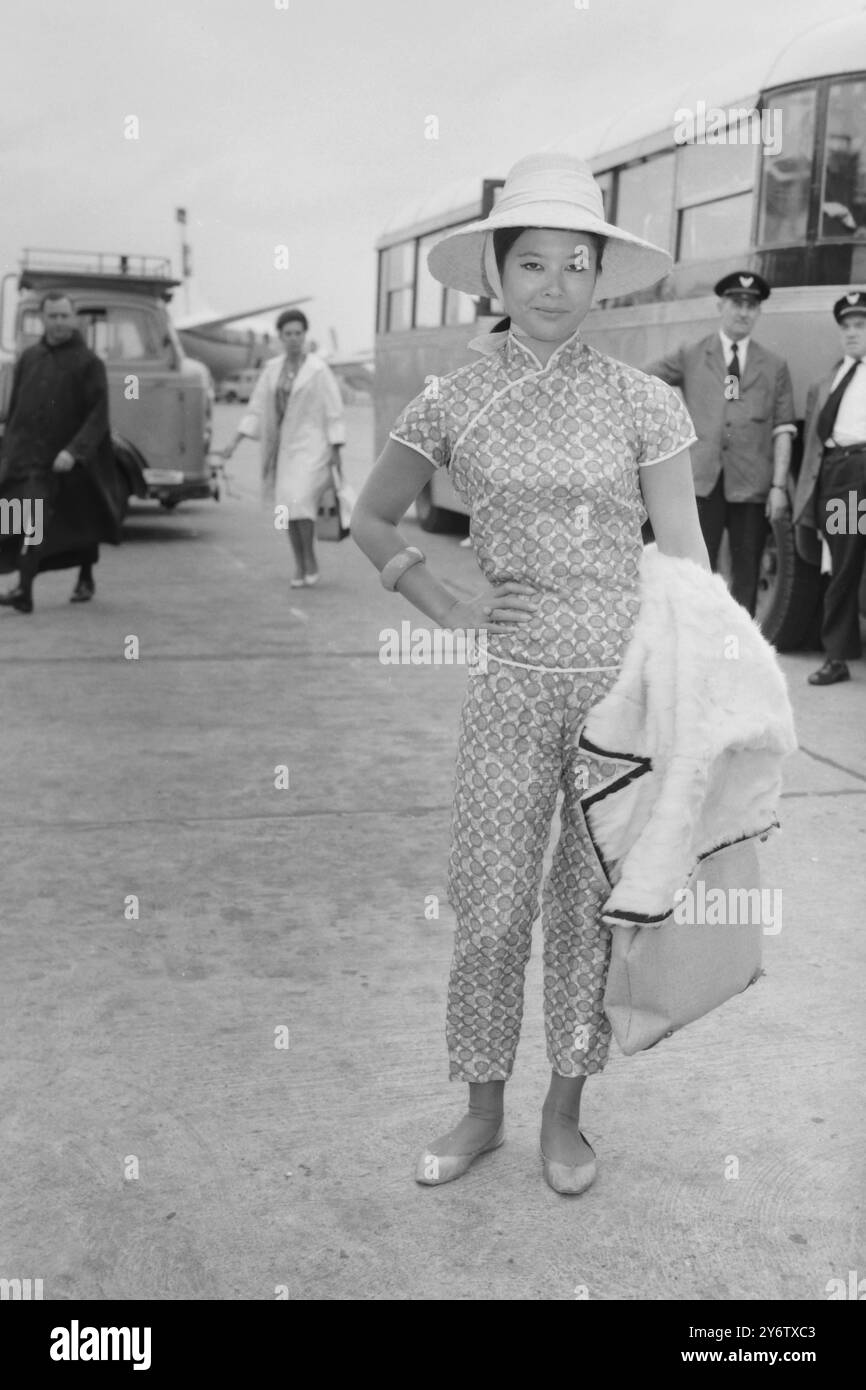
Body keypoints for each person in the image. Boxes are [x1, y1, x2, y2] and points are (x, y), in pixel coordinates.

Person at [351, 152, 711, 1195]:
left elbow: (683, 550)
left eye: (574, 265)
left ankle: (565, 1114)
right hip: (508, 683)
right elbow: (370, 517)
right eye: (533, 265)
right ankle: (478, 1110)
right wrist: (440, 595)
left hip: (618, 691)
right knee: (493, 908)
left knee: (590, 911)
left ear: (599, 277)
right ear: (496, 278)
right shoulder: (450, 400)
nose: (554, 286)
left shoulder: (645, 403)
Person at [645, 272, 796, 616]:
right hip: (702, 482)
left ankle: (738, 654)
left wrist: (778, 487)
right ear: (720, 306)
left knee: (745, 574)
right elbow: (642, 380)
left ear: (758, 312)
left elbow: (784, 429)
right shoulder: (692, 353)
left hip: (751, 485)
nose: (743, 312)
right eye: (736, 303)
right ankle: (695, 648)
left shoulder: (774, 366)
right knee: (696, 571)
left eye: (751, 305)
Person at [0, 292, 123, 614]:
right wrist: (7, 449)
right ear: (42, 318)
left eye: (64, 316)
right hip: (25, 457)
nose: (58, 323)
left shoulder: (88, 363)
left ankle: (26, 591)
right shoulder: (29, 357)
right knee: (16, 519)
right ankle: (29, 584)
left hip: (64, 462)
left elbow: (99, 415)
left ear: (74, 318)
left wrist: (74, 451)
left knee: (62, 521)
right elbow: (16, 409)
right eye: (52, 316)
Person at [218, 309, 345, 587]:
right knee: (288, 509)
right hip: (282, 449)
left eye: (298, 333)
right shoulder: (272, 369)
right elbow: (257, 407)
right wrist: (234, 442)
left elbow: (333, 410)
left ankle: (309, 558)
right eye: (288, 334)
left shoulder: (318, 369)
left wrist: (336, 450)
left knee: (301, 502)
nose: (294, 339)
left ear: (305, 335)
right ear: (280, 337)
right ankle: (299, 564)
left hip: (312, 446)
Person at [792, 290, 866, 685]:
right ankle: (837, 656)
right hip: (845, 479)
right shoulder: (830, 380)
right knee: (842, 564)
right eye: (847, 327)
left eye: (861, 325)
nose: (853, 333)